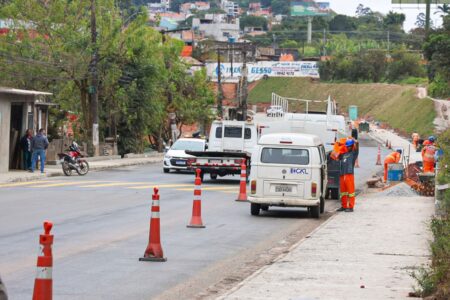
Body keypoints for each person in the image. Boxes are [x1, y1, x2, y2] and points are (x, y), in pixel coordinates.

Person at [337, 138, 359, 212]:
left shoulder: (353, 154)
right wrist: (339, 145)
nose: (348, 147)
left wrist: (355, 142)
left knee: (351, 192)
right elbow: (336, 154)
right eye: (347, 146)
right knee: (343, 192)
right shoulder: (343, 154)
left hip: (349, 175)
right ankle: (344, 206)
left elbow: (357, 147)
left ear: (352, 146)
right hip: (342, 174)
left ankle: (351, 207)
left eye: (349, 146)